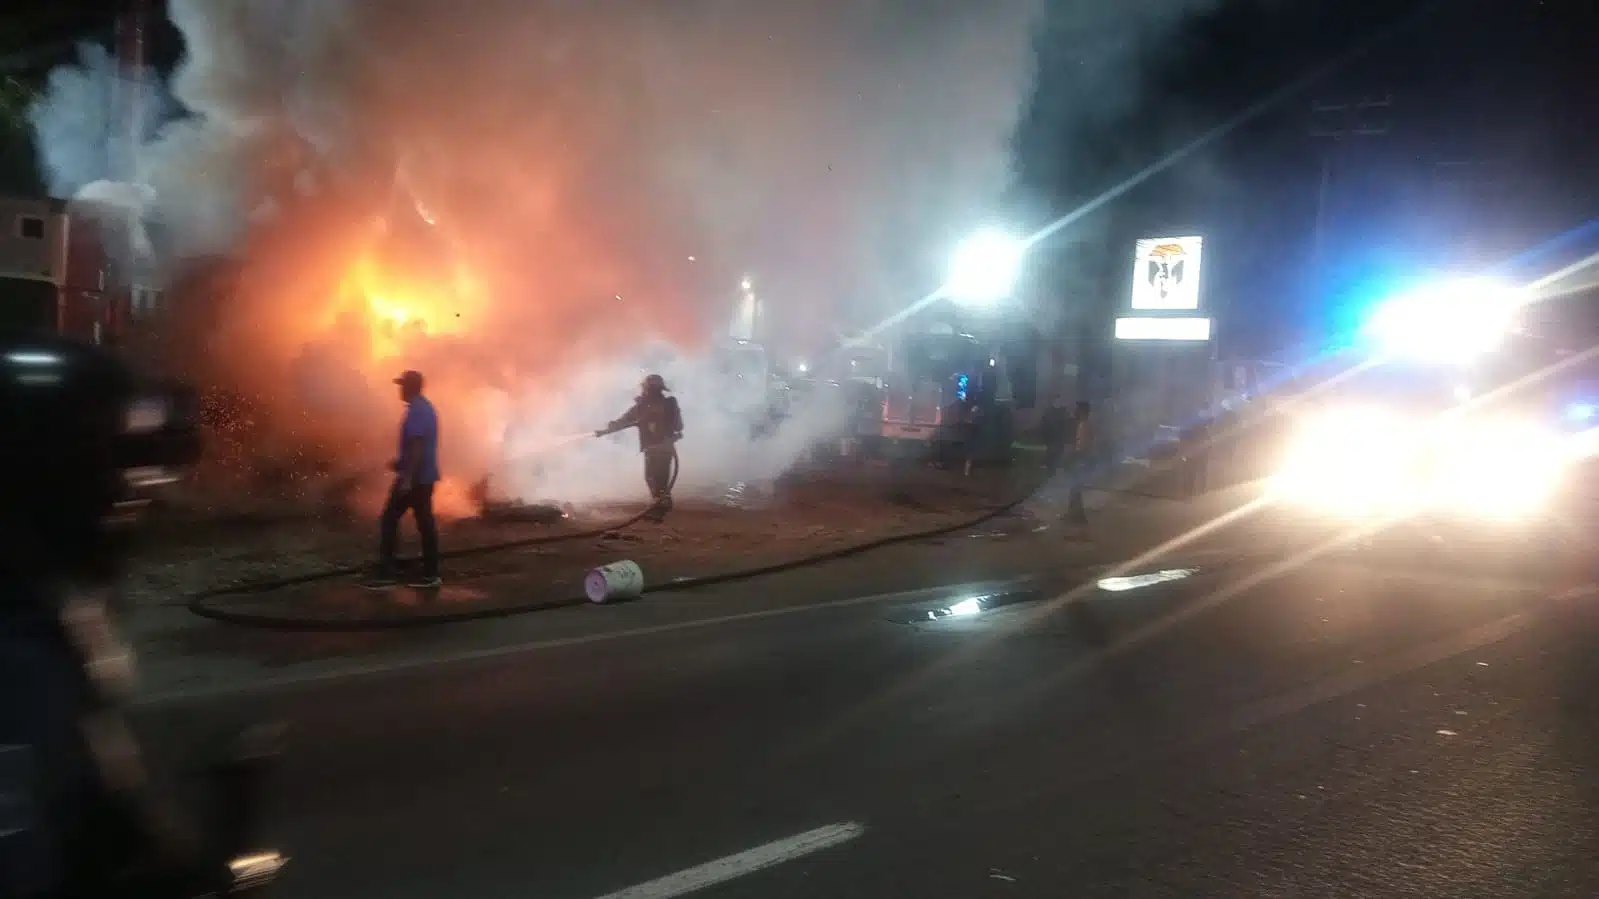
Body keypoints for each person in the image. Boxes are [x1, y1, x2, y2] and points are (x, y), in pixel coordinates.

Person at [366, 369, 442, 589]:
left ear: (410, 387)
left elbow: (417, 446)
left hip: (414, 479)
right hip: (423, 476)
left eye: (402, 385)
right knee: (425, 523)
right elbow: (417, 446)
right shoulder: (424, 408)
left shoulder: (417, 411)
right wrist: (399, 463)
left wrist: (407, 477)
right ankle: (431, 573)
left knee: (389, 519)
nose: (399, 389)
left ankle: (386, 574)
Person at [597, 373, 683, 517]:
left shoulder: (650, 406)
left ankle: (659, 508)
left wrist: (611, 428)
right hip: (663, 449)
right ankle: (662, 505)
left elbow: (624, 421)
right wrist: (606, 430)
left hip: (658, 448)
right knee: (660, 479)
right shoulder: (659, 405)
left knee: (653, 478)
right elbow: (623, 422)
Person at [1064, 400, 1094, 531]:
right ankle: (1073, 513)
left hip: (1081, 459)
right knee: (1074, 487)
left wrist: (1073, 456)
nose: (1074, 412)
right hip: (1082, 459)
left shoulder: (1084, 425)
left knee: (1075, 487)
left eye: (1076, 409)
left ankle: (1078, 516)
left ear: (1081, 411)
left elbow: (1082, 446)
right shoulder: (1084, 424)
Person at [1040, 396, 1071, 471]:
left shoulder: (1063, 411)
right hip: (1052, 436)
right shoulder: (1049, 411)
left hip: (1059, 436)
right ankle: (1049, 465)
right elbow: (1045, 424)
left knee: (1058, 451)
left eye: (1059, 400)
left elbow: (1066, 425)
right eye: (1056, 400)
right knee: (1051, 451)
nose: (1057, 402)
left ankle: (1056, 465)